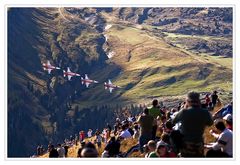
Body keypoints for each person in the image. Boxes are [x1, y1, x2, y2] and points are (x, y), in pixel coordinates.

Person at [172, 91, 213, 157]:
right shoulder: (205, 112)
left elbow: (174, 121)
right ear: (198, 100)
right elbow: (210, 123)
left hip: (186, 143)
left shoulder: (184, 112)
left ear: (188, 101)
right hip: (199, 141)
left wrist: (184, 107)